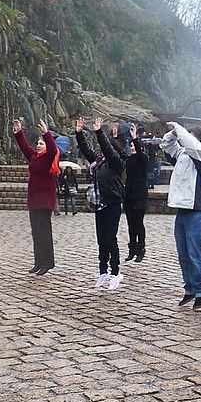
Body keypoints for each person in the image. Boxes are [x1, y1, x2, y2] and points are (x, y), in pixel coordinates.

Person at [162, 122, 201, 310]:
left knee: (194, 251)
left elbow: (193, 146)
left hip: (197, 210)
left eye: (188, 136)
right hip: (182, 208)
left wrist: (181, 131)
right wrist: (173, 133)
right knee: (183, 253)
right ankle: (189, 287)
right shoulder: (183, 153)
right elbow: (166, 145)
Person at [76, 116, 127, 291]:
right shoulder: (98, 162)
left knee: (110, 238)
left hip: (112, 203)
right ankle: (102, 271)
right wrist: (79, 133)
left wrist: (99, 132)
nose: (102, 151)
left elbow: (108, 148)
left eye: (106, 149)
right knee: (101, 240)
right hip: (99, 204)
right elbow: (86, 149)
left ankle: (115, 273)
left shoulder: (117, 163)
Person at [12, 118, 59, 275]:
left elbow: (52, 148)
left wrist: (46, 133)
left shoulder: (49, 157)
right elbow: (25, 147)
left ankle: (47, 263)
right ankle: (38, 262)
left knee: (44, 232)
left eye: (41, 143)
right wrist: (19, 132)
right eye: (38, 143)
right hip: (34, 200)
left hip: (45, 200)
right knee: (36, 232)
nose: (38, 146)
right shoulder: (35, 157)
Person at [123, 125, 150, 262]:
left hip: (140, 196)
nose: (132, 147)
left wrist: (135, 138)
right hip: (129, 196)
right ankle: (132, 249)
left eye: (134, 145)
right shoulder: (128, 159)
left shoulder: (143, 158)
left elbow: (139, 153)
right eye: (131, 146)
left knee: (139, 223)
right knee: (130, 224)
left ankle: (141, 249)